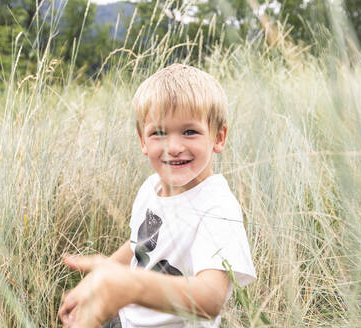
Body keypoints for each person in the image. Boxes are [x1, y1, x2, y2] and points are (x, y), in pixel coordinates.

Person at [58, 64, 256, 328]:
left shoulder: (217, 208)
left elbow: (211, 299)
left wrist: (130, 286)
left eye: (190, 132)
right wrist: (99, 278)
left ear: (218, 137)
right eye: (158, 133)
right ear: (142, 140)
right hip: (128, 318)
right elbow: (137, 247)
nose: (173, 147)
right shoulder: (151, 187)